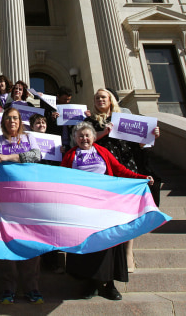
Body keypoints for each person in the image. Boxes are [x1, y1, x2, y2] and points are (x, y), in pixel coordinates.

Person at [61, 121, 153, 301]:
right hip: (83, 207)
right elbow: (62, 178)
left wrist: (142, 178)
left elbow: (120, 170)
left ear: (94, 137)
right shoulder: (70, 156)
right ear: (74, 139)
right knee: (88, 244)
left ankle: (110, 284)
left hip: (106, 204)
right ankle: (90, 283)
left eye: (87, 135)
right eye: (80, 136)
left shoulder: (102, 152)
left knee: (110, 243)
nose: (84, 138)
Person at [85, 88, 160, 272]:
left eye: (103, 97)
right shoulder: (90, 121)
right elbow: (84, 142)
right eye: (97, 98)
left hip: (126, 167)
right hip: (103, 170)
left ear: (111, 100)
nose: (100, 100)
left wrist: (152, 136)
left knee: (128, 213)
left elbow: (140, 144)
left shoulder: (125, 120)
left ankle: (128, 253)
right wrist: (104, 132)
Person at [0, 108, 44, 305]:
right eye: (8, 118)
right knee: (5, 244)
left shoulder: (28, 139)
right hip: (3, 203)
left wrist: (10, 158)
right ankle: (8, 289)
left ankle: (32, 288)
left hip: (27, 201)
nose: (12, 121)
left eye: (15, 118)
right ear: (3, 122)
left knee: (30, 244)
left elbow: (36, 156)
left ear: (20, 121)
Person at [41, 86, 75, 153]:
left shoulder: (71, 109)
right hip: (55, 143)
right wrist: (51, 118)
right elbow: (43, 123)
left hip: (69, 144)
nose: (67, 102)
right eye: (64, 99)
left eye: (69, 99)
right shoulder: (49, 108)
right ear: (58, 96)